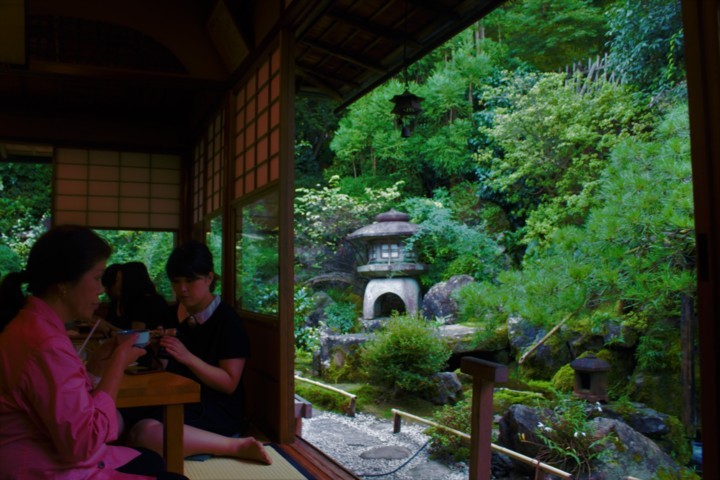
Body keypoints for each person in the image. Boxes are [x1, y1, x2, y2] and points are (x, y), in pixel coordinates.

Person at [0, 225, 188, 480]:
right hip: (42, 466)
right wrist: (118, 362)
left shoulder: (31, 324)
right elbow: (83, 443)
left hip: (40, 454)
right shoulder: (45, 343)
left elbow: (64, 405)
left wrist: (98, 365)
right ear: (64, 283)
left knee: (151, 459)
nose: (102, 290)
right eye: (98, 278)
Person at [125, 240, 271, 465]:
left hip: (215, 407)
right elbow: (164, 369)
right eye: (176, 281)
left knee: (144, 434)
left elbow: (229, 383)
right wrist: (155, 348)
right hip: (174, 398)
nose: (182, 289)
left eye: (190, 281)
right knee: (121, 421)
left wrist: (186, 356)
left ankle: (234, 446)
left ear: (209, 278)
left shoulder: (227, 321)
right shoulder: (170, 314)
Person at [102, 262, 167, 331]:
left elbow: (136, 336)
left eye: (116, 281)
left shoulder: (145, 302)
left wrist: (107, 327)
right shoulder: (120, 301)